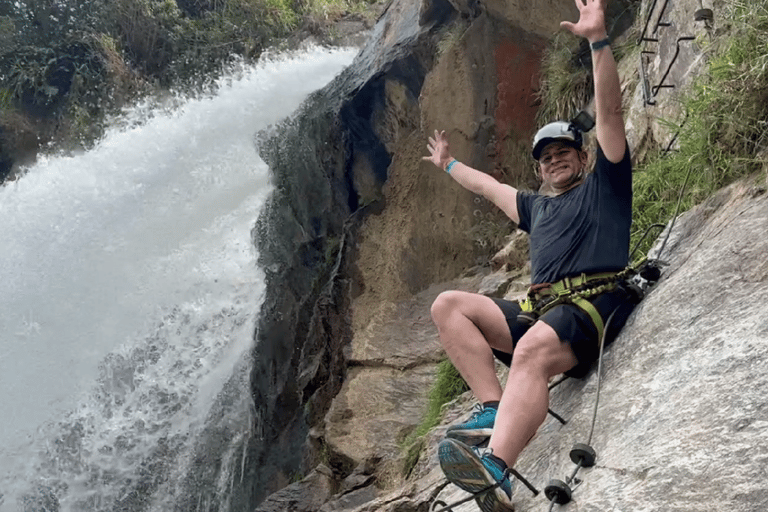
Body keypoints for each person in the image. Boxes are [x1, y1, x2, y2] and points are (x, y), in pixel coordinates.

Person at [421, 0, 639, 510]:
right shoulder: (535, 208)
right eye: (546, 156)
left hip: (593, 304)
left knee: (531, 350)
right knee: (449, 305)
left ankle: (497, 469)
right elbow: (488, 186)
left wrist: (598, 41)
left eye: (565, 150)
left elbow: (609, 113)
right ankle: (494, 407)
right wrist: (448, 162)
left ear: (584, 158)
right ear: (539, 170)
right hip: (544, 309)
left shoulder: (605, 184)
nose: (555, 158)